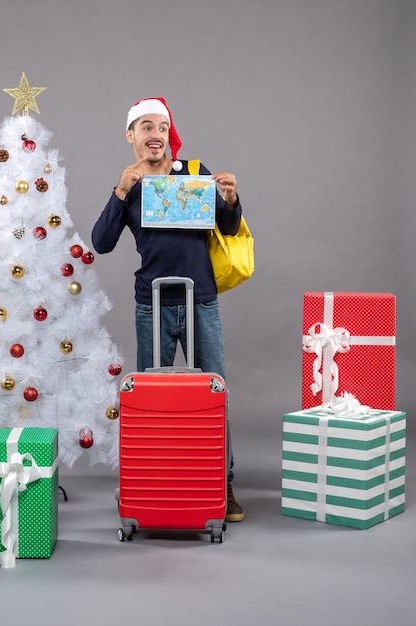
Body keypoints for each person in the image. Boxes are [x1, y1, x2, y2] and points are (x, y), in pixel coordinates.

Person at [91, 97, 244, 522]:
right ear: (131, 136)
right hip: (152, 304)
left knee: (215, 394)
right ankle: (152, 480)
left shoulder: (195, 175)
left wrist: (229, 200)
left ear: (167, 134)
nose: (155, 133)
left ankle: (221, 483)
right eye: (145, 126)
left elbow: (228, 228)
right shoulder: (132, 185)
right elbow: (101, 242)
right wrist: (121, 189)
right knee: (153, 400)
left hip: (201, 300)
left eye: (161, 126)